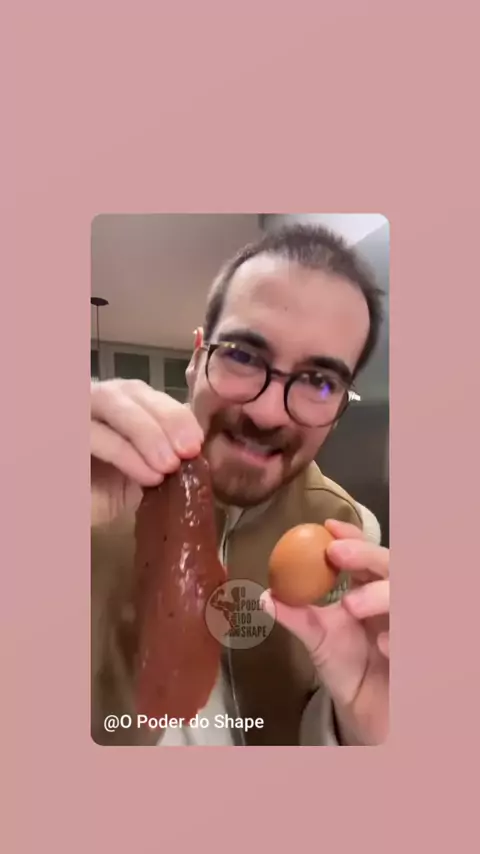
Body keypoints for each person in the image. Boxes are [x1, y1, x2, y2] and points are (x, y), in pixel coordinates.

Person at [91, 223, 389, 747]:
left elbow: (325, 715)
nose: (267, 412)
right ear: (197, 358)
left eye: (320, 381)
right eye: (245, 356)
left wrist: (361, 731)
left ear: (341, 407)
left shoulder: (350, 534)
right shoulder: (90, 489)